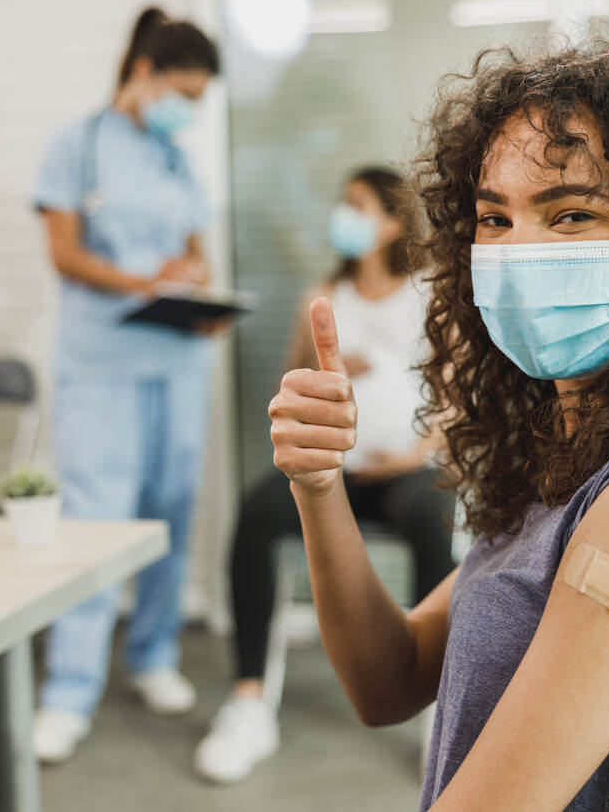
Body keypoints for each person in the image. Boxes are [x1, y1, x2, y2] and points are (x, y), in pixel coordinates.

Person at [264, 38, 609, 810]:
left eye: (570, 213)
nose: (518, 250)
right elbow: (388, 680)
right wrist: (319, 482)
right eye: (494, 217)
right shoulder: (578, 448)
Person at [194, 167, 457, 784]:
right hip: (331, 474)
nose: (344, 214)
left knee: (432, 512)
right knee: (258, 511)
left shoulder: (431, 295)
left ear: (393, 221)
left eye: (357, 205)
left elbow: (456, 398)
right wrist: (319, 372)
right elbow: (289, 387)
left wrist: (419, 452)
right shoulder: (323, 296)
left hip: (403, 473)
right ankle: (249, 700)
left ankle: (439, 711)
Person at [29, 6, 222, 763]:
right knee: (97, 523)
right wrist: (145, 280)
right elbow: (65, 253)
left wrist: (196, 289)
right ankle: (67, 690)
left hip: (176, 361)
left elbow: (195, 250)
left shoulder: (176, 157)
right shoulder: (75, 145)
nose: (189, 110)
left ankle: (152, 655)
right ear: (142, 73)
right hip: (102, 364)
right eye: (182, 92)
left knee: (169, 514)